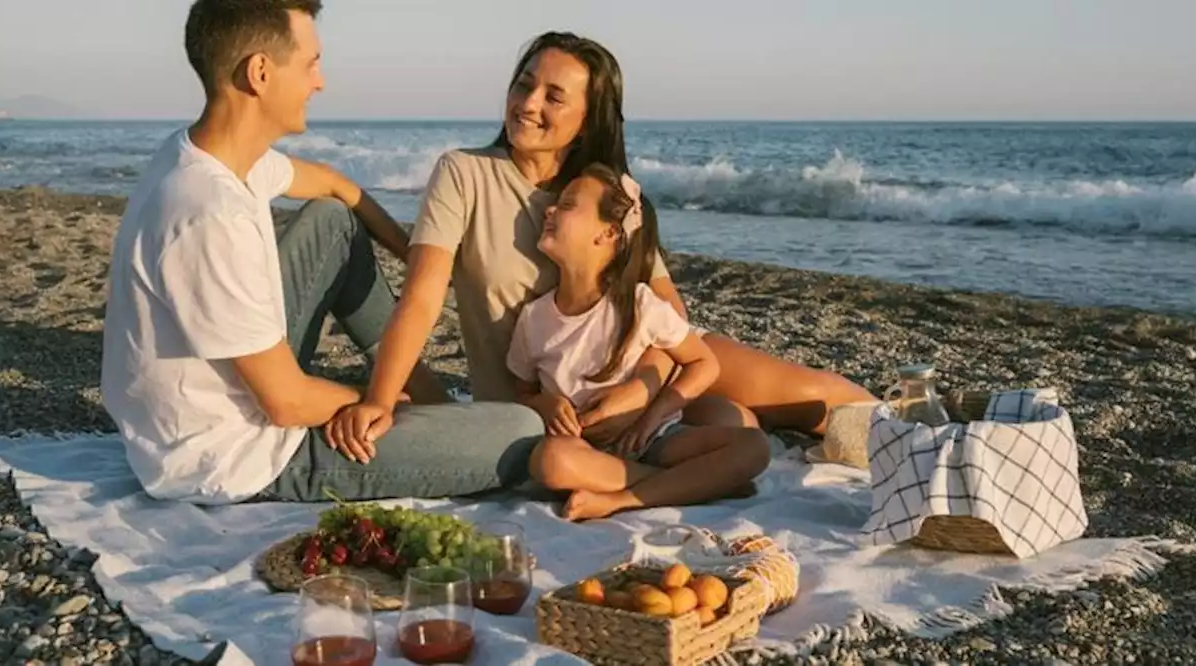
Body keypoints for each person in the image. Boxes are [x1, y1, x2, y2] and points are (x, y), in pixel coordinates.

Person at [330, 31, 874, 456]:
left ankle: (933, 438)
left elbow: (668, 317)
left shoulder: (605, 192)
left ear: (587, 118)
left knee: (822, 402)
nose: (528, 103)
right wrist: (380, 399)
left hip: (650, 373)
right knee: (740, 426)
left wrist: (640, 396)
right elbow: (422, 298)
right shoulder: (464, 173)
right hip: (539, 406)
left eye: (553, 96)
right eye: (523, 84)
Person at [98, 0, 544, 506]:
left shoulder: (207, 156)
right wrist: (380, 401)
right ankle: (426, 410)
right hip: (234, 456)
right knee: (521, 429)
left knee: (331, 221)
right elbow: (287, 404)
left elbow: (336, 187)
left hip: (232, 404)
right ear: (260, 73)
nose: (320, 82)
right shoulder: (208, 212)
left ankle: (431, 402)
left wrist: (419, 257)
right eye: (310, 63)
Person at [506, 164, 769, 520]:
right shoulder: (533, 318)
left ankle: (623, 499)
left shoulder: (640, 304)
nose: (550, 210)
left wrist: (653, 416)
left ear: (608, 233)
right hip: (588, 453)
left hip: (653, 440)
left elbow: (703, 362)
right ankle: (688, 484)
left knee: (754, 446)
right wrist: (547, 405)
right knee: (550, 461)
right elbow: (521, 394)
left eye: (567, 205)